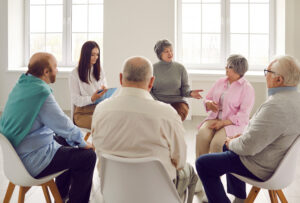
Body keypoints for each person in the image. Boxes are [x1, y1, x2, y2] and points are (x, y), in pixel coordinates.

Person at [92, 56, 198, 203]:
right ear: (152, 82)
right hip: (157, 194)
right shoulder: (167, 114)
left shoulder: (101, 110)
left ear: (121, 78)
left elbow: (98, 149)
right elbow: (180, 161)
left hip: (115, 191)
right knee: (191, 173)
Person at [195, 55, 300, 203]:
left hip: (260, 166)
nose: (265, 77)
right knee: (226, 145)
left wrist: (231, 142)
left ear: (279, 79)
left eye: (267, 72)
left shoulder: (275, 106)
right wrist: (238, 139)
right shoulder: (295, 99)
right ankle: (240, 197)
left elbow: (247, 148)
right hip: (277, 162)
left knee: (203, 163)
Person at [0, 52, 96, 203]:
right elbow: (63, 124)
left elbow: (60, 128)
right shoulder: (40, 93)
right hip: (32, 161)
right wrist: (84, 143)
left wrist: (74, 140)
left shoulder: (22, 85)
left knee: (64, 140)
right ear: (46, 71)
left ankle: (61, 194)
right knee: (88, 156)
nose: (57, 70)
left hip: (16, 158)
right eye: (55, 67)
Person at [196, 55, 255, 157]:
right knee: (201, 136)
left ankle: (214, 171)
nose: (225, 68)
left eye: (229, 66)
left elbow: (243, 115)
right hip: (214, 118)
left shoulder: (247, 88)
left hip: (231, 123)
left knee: (217, 144)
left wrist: (223, 123)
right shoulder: (220, 82)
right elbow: (207, 98)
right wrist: (208, 103)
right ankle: (201, 168)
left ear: (237, 69)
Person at [151, 39, 203, 121]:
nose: (170, 53)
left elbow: (185, 89)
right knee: (159, 120)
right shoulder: (152, 69)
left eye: (171, 50)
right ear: (160, 54)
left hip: (177, 102)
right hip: (158, 102)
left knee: (172, 120)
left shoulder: (180, 68)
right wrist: (155, 103)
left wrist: (190, 93)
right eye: (166, 51)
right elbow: (148, 90)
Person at [69, 41, 108, 129]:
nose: (96, 58)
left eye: (97, 54)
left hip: (98, 109)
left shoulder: (99, 70)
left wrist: (104, 91)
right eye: (92, 55)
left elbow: (104, 86)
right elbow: (75, 99)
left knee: (114, 121)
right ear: (85, 55)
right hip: (82, 113)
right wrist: (92, 98)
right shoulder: (74, 74)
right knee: (102, 125)